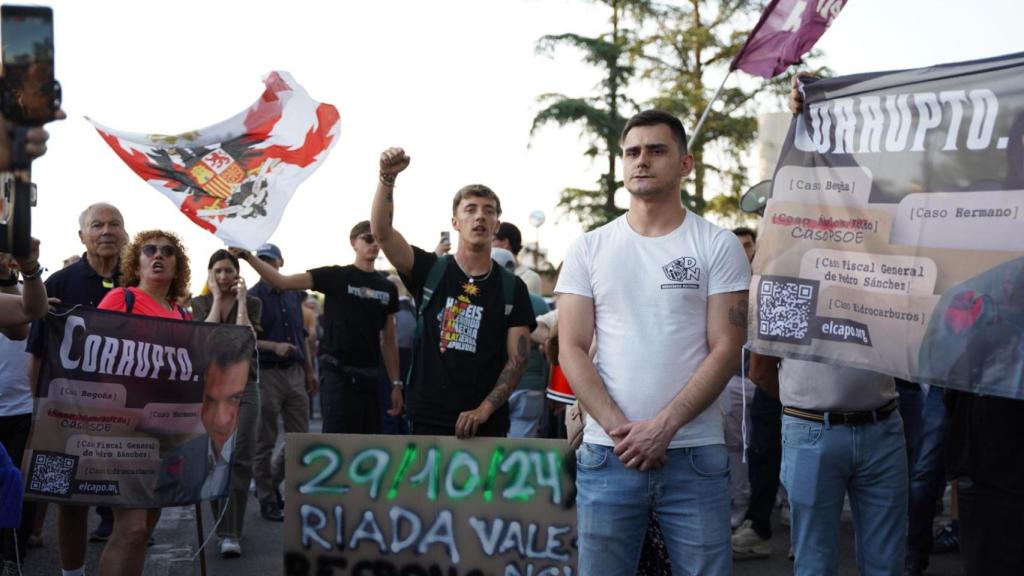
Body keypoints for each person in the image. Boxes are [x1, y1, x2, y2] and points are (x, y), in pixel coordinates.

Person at [557, 109, 750, 575]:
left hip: (694, 455)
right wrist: (621, 430)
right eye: (632, 152)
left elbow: (727, 347)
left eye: (656, 150)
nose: (641, 160)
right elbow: (571, 348)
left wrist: (663, 427)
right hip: (608, 453)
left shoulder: (717, 244)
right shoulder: (589, 247)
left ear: (685, 164)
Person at [370, 148, 536, 438]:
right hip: (427, 417)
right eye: (470, 209)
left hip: (486, 423)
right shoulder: (429, 269)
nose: (480, 216)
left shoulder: (513, 287)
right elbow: (382, 233)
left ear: (496, 225)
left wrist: (484, 409)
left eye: (488, 211)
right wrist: (387, 178)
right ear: (455, 223)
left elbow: (518, 360)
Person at [25, 203, 126, 576]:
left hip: (126, 414)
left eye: (114, 224)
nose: (106, 231)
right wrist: (38, 411)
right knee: (69, 500)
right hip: (66, 413)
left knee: (130, 500)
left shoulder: (138, 280)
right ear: (81, 235)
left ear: (125, 233)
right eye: (97, 225)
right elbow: (37, 353)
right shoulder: (59, 283)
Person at [237, 222, 402, 435]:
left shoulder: (387, 288)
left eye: (378, 239)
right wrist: (248, 256)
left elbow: (389, 340)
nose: (374, 244)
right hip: (338, 376)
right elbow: (282, 282)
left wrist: (396, 384)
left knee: (367, 444)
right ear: (353, 242)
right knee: (335, 442)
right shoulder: (335, 276)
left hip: (370, 378)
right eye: (368, 239)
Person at [94, 230, 191, 576]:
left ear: (177, 266)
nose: (158, 255)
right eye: (149, 250)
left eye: (167, 251)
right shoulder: (122, 299)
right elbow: (92, 356)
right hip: (125, 429)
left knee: (145, 530)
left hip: (168, 432)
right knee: (131, 529)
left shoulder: (183, 314)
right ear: (136, 264)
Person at [187, 250, 261, 558]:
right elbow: (205, 339)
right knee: (217, 458)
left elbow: (246, 340)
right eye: (217, 271)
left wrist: (241, 302)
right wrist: (216, 298)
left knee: (241, 457)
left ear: (238, 274)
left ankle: (233, 531)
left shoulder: (253, 303)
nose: (223, 276)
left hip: (246, 387)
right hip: (213, 389)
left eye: (228, 270)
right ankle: (223, 529)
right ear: (209, 274)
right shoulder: (200, 303)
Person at [234, 243, 316, 522]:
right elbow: (246, 337)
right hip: (266, 372)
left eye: (271, 260)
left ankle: (269, 482)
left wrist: (309, 371)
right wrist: (273, 346)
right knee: (264, 440)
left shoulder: (294, 294)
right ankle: (268, 499)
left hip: (295, 372)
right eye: (262, 260)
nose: (267, 264)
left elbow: (302, 335)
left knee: (299, 439)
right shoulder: (253, 296)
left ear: (280, 262)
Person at [492, 248, 550, 438]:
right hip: (531, 386)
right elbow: (551, 344)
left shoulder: (485, 299)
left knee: (489, 446)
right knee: (519, 449)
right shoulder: (538, 302)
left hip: (492, 387)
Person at [493, 222, 543, 295]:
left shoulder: (530, 277)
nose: (488, 245)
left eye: (493, 240)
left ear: (505, 243)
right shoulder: (488, 274)